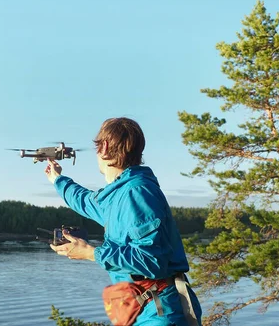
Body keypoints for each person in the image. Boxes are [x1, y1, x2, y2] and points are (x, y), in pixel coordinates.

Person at [44, 117, 202, 326]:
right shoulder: (119, 195)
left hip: (158, 313)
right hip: (144, 310)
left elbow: (151, 260)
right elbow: (85, 201)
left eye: (97, 146)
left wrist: (92, 253)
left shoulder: (137, 192)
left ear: (105, 147)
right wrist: (58, 179)